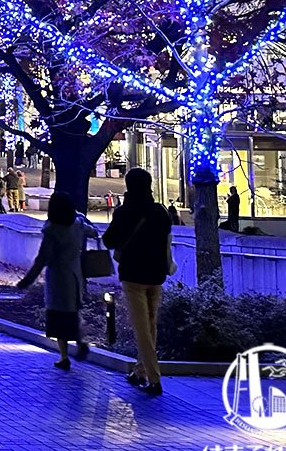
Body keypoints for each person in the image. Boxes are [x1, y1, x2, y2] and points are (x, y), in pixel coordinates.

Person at [102, 167, 174, 397]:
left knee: (142, 328)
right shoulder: (161, 211)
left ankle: (154, 379)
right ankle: (139, 370)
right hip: (156, 274)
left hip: (133, 275)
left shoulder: (125, 212)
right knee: (151, 325)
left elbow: (109, 240)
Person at [16, 191, 90, 369]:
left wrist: (27, 280)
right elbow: (93, 231)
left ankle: (64, 356)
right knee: (73, 312)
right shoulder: (78, 224)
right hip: (75, 275)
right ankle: (80, 343)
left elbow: (42, 258)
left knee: (58, 316)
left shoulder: (52, 230)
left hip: (58, 277)